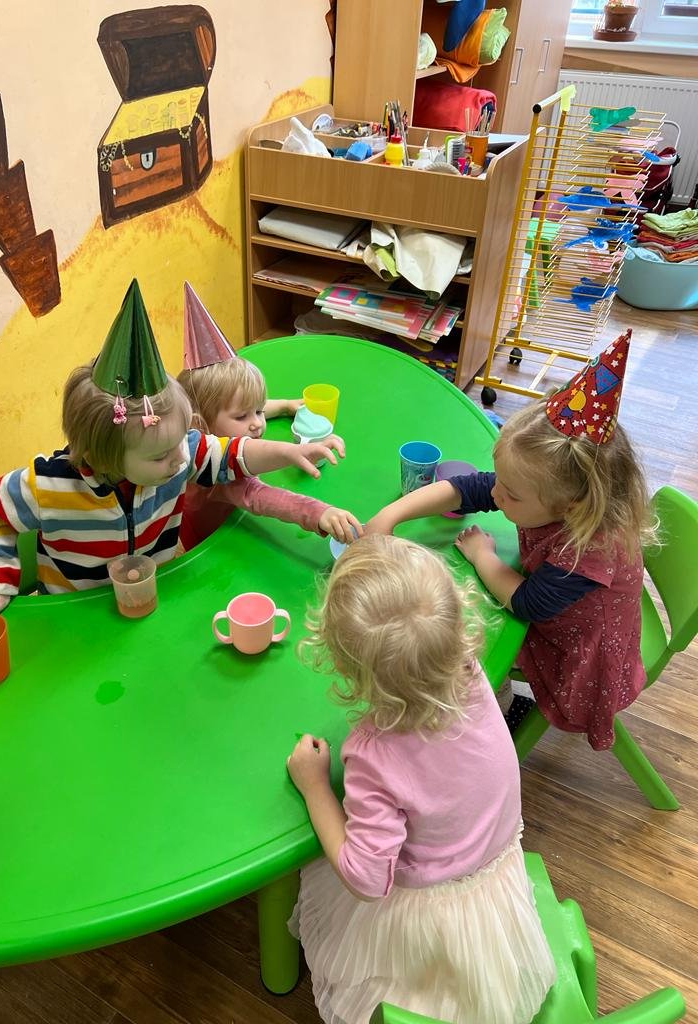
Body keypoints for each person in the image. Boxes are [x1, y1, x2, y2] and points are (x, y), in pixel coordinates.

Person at [0, 280, 342, 629]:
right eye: (161, 456)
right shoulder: (49, 485)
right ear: (105, 456)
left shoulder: (176, 454)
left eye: (181, 442)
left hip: (154, 600)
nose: (181, 461)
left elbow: (233, 454)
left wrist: (289, 451)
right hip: (76, 619)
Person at [287, 534, 555, 1024]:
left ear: (345, 665)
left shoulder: (374, 755)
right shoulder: (470, 673)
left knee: (318, 872)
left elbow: (366, 879)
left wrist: (315, 787)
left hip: (428, 917)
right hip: (494, 874)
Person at [366, 331, 655, 750]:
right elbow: (468, 488)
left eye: (511, 494)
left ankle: (499, 710)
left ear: (570, 506)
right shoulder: (545, 494)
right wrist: (390, 515)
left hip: (578, 652)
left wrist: (482, 555)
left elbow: (528, 603)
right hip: (563, 609)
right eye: (500, 481)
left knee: (466, 649)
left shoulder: (588, 551)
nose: (497, 494)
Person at [176, 283, 361, 551]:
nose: (257, 423)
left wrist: (283, 405)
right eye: (242, 416)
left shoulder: (195, 424)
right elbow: (264, 497)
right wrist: (319, 513)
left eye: (259, 411)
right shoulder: (216, 475)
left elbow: (248, 408)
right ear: (200, 425)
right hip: (203, 546)